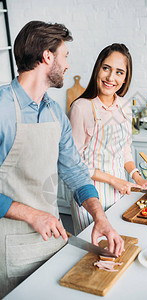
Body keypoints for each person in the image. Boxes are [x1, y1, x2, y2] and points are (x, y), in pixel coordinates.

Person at [0, 21, 124, 299]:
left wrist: (99, 218)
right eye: (64, 55)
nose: (67, 65)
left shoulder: (56, 112)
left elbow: (76, 174)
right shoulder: (2, 109)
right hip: (9, 249)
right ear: (47, 56)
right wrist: (31, 214)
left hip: (52, 242)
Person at [68, 43, 147, 235]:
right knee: (93, 253)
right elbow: (73, 164)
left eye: (119, 72)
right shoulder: (81, 107)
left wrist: (138, 178)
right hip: (89, 196)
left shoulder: (124, 106)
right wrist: (114, 180)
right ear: (98, 69)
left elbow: (124, 149)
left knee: (119, 248)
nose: (111, 77)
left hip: (120, 192)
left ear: (126, 77)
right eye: (106, 68)